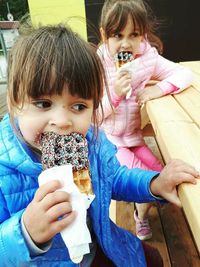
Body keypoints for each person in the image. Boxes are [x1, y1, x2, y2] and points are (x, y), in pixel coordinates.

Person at [0, 23, 198, 267]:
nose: (63, 122)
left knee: (153, 259)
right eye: (43, 104)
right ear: (14, 103)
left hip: (100, 244)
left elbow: (113, 180)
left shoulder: (91, 144)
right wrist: (25, 234)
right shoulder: (3, 172)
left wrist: (154, 183)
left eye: (79, 107)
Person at [97, 0, 193, 240]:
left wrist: (154, 90)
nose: (126, 43)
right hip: (108, 140)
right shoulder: (96, 65)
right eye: (117, 35)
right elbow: (92, 115)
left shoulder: (148, 59)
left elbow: (185, 73)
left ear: (143, 35)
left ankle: (142, 210)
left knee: (161, 172)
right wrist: (116, 93)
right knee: (151, 180)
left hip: (133, 136)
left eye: (134, 34)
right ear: (104, 35)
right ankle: (141, 216)